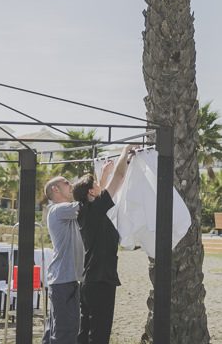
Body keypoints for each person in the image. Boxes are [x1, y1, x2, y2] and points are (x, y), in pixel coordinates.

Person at [73, 145, 135, 344]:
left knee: (86, 332)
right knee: (99, 334)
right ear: (91, 192)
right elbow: (118, 179)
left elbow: (99, 194)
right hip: (101, 281)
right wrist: (125, 152)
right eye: (97, 186)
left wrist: (102, 176)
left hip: (89, 282)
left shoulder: (85, 212)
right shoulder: (96, 209)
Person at [42, 174, 84, 344]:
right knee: (66, 332)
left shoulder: (65, 212)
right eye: (66, 183)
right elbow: (85, 205)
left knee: (54, 330)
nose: (71, 185)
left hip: (62, 281)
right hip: (64, 281)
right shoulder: (58, 209)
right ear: (55, 189)